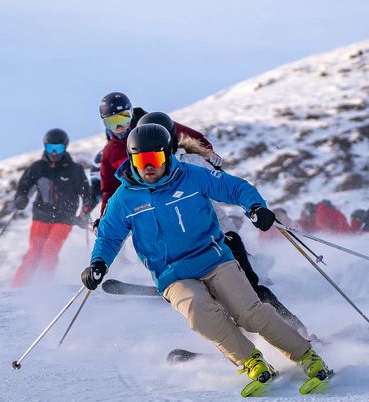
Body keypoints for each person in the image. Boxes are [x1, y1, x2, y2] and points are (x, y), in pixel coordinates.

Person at [80, 124, 329, 384]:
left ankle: (307, 356)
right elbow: (109, 235)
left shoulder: (190, 176)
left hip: (214, 259)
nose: (148, 166)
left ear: (167, 155)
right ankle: (251, 361)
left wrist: (255, 207)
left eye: (155, 158)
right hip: (171, 274)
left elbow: (236, 188)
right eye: (141, 160)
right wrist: (98, 263)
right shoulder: (124, 199)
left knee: (250, 312)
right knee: (201, 313)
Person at [137, 111, 312, 337]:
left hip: (220, 239)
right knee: (212, 306)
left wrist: (255, 207)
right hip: (186, 251)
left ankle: (297, 331)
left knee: (248, 292)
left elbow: (230, 188)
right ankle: (251, 346)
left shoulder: (191, 163)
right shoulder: (140, 178)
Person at [96, 92, 221, 220]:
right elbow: (109, 190)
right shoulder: (110, 152)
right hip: (151, 200)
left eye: (122, 119)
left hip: (179, 181)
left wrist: (208, 155)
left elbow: (192, 137)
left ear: (131, 113)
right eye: (111, 122)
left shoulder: (153, 125)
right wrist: (103, 219)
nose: (118, 127)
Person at [12, 129, 91, 287]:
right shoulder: (38, 167)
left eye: (59, 149)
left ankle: (45, 287)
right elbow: (24, 185)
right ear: (45, 147)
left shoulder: (75, 170)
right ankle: (18, 287)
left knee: (49, 251)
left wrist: (85, 213)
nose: (54, 153)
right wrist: (21, 198)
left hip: (65, 217)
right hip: (41, 214)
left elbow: (86, 193)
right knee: (34, 252)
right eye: (50, 148)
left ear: (65, 148)